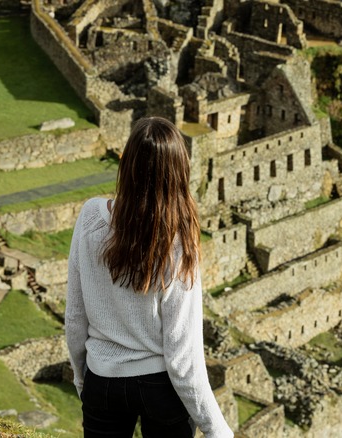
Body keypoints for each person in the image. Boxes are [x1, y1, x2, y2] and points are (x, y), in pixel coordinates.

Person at [66, 117, 233, 438]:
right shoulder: (179, 242)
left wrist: (82, 377)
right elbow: (183, 355)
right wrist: (218, 430)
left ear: (126, 164)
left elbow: (75, 316)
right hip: (161, 386)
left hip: (103, 379)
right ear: (178, 172)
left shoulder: (90, 216)